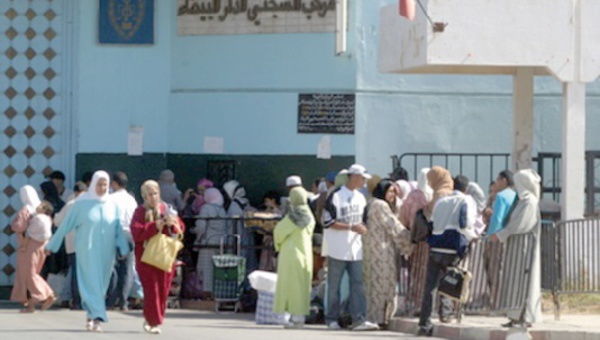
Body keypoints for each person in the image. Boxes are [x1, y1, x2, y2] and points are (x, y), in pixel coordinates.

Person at [46, 171, 130, 332]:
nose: (102, 187)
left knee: (101, 285)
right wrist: (52, 245)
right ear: (93, 184)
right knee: (91, 283)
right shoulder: (81, 204)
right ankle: (97, 317)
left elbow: (118, 229)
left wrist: (123, 248)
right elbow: (65, 226)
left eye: (105, 184)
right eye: (99, 184)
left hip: (106, 254)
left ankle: (92, 315)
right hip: (87, 252)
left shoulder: (112, 206)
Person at [417, 172, 477, 337]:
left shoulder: (441, 201)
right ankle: (446, 313)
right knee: (452, 283)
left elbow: (433, 222)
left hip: (436, 247)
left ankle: (424, 322)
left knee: (430, 287)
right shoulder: (466, 200)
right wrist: (472, 238)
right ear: (466, 188)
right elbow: (467, 224)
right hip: (453, 247)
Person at [321, 164, 379, 331]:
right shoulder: (336, 196)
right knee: (334, 285)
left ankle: (359, 319)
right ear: (353, 177)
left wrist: (362, 228)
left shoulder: (361, 198)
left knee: (358, 285)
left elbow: (364, 221)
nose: (363, 182)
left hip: (356, 250)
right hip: (338, 248)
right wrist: (351, 227)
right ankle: (331, 318)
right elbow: (328, 221)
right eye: (362, 178)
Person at [131, 180, 185, 334]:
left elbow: (180, 228)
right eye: (149, 194)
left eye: (155, 193)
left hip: (165, 256)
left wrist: (171, 223)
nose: (153, 197)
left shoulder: (167, 209)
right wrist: (155, 226)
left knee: (163, 288)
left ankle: (156, 318)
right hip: (146, 258)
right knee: (151, 290)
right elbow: (137, 232)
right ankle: (152, 321)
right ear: (144, 196)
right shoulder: (140, 212)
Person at [490, 169, 542, 327]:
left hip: (524, 248)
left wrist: (501, 234)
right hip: (516, 247)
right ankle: (514, 316)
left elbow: (521, 224)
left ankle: (524, 317)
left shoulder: (529, 201)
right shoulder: (522, 200)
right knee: (514, 282)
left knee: (523, 282)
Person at [363, 179, 413, 329]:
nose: (393, 195)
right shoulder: (381, 205)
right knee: (384, 285)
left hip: (370, 250)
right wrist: (411, 240)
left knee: (373, 285)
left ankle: (374, 316)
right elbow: (393, 226)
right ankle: (381, 318)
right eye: (390, 191)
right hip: (381, 252)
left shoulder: (371, 203)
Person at [273, 187, 316, 329]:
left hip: (291, 254)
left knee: (289, 286)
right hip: (306, 254)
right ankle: (300, 316)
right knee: (302, 286)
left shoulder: (293, 216)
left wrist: (278, 246)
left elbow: (279, 232)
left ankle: (290, 316)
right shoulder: (309, 214)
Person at [10, 186, 56, 313]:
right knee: (32, 273)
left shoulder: (26, 210)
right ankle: (30, 305)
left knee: (28, 274)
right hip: (42, 246)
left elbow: (18, 227)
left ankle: (47, 294)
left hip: (28, 246)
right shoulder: (41, 209)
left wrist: (13, 224)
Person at [106, 171, 139, 311]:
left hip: (114, 234)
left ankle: (111, 300)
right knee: (127, 269)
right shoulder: (131, 200)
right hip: (129, 234)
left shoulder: (110, 198)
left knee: (112, 268)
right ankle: (123, 301)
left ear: (114, 183)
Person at [53, 181, 87, 310]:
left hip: (72, 244)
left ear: (75, 192)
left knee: (75, 273)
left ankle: (76, 301)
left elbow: (57, 221)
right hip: (89, 244)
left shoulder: (70, 205)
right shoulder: (91, 204)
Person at [192, 187, 228, 294]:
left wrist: (197, 238)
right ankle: (217, 291)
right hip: (221, 243)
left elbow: (201, 227)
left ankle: (207, 292)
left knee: (206, 269)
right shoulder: (222, 210)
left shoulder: (206, 208)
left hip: (208, 242)